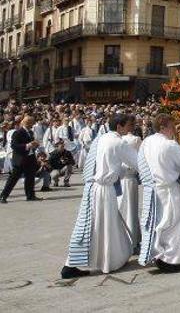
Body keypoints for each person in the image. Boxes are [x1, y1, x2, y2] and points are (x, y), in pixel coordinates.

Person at [61, 114, 138, 278]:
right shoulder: (118, 142)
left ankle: (106, 259)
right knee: (94, 227)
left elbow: (108, 164)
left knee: (97, 226)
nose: (131, 128)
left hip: (94, 187)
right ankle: (78, 264)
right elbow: (138, 162)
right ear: (119, 126)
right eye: (129, 125)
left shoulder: (101, 139)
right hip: (104, 189)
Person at [138, 114, 180, 271]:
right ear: (163, 127)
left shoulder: (147, 141)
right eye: (172, 126)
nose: (174, 130)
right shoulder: (169, 145)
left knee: (159, 222)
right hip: (169, 188)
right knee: (174, 223)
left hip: (153, 189)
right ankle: (171, 259)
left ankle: (158, 254)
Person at [0, 116, 41, 203]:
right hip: (20, 159)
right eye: (31, 123)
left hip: (30, 158)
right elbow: (14, 146)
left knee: (30, 178)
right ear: (27, 123)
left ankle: (30, 195)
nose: (32, 125)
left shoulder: (31, 132)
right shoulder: (18, 132)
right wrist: (27, 145)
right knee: (13, 179)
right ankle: (3, 196)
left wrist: (35, 145)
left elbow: (32, 144)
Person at [118, 120, 141, 251]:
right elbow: (139, 159)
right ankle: (133, 239)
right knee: (131, 209)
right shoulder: (136, 140)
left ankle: (130, 238)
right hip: (130, 177)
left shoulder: (120, 139)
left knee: (124, 207)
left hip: (122, 177)